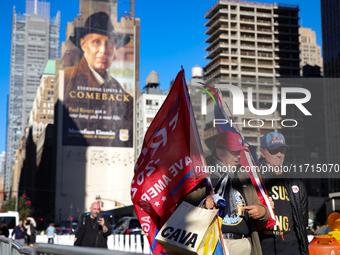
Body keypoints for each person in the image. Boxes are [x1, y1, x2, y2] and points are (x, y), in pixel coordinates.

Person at [63, 11, 133, 147]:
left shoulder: (125, 97)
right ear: (83, 44)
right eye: (97, 42)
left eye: (110, 44)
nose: (103, 50)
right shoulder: (67, 82)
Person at [205, 131, 270, 255]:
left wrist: (262, 212)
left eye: (239, 152)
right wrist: (203, 204)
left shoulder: (244, 174)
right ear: (219, 152)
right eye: (234, 151)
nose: (238, 156)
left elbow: (260, 216)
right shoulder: (203, 173)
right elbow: (186, 205)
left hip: (243, 244)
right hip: (213, 243)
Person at [258, 132, 308, 255]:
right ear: (263, 153)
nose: (279, 154)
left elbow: (302, 219)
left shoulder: (295, 182)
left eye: (282, 150)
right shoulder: (255, 179)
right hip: (264, 245)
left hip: (291, 246)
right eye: (274, 150)